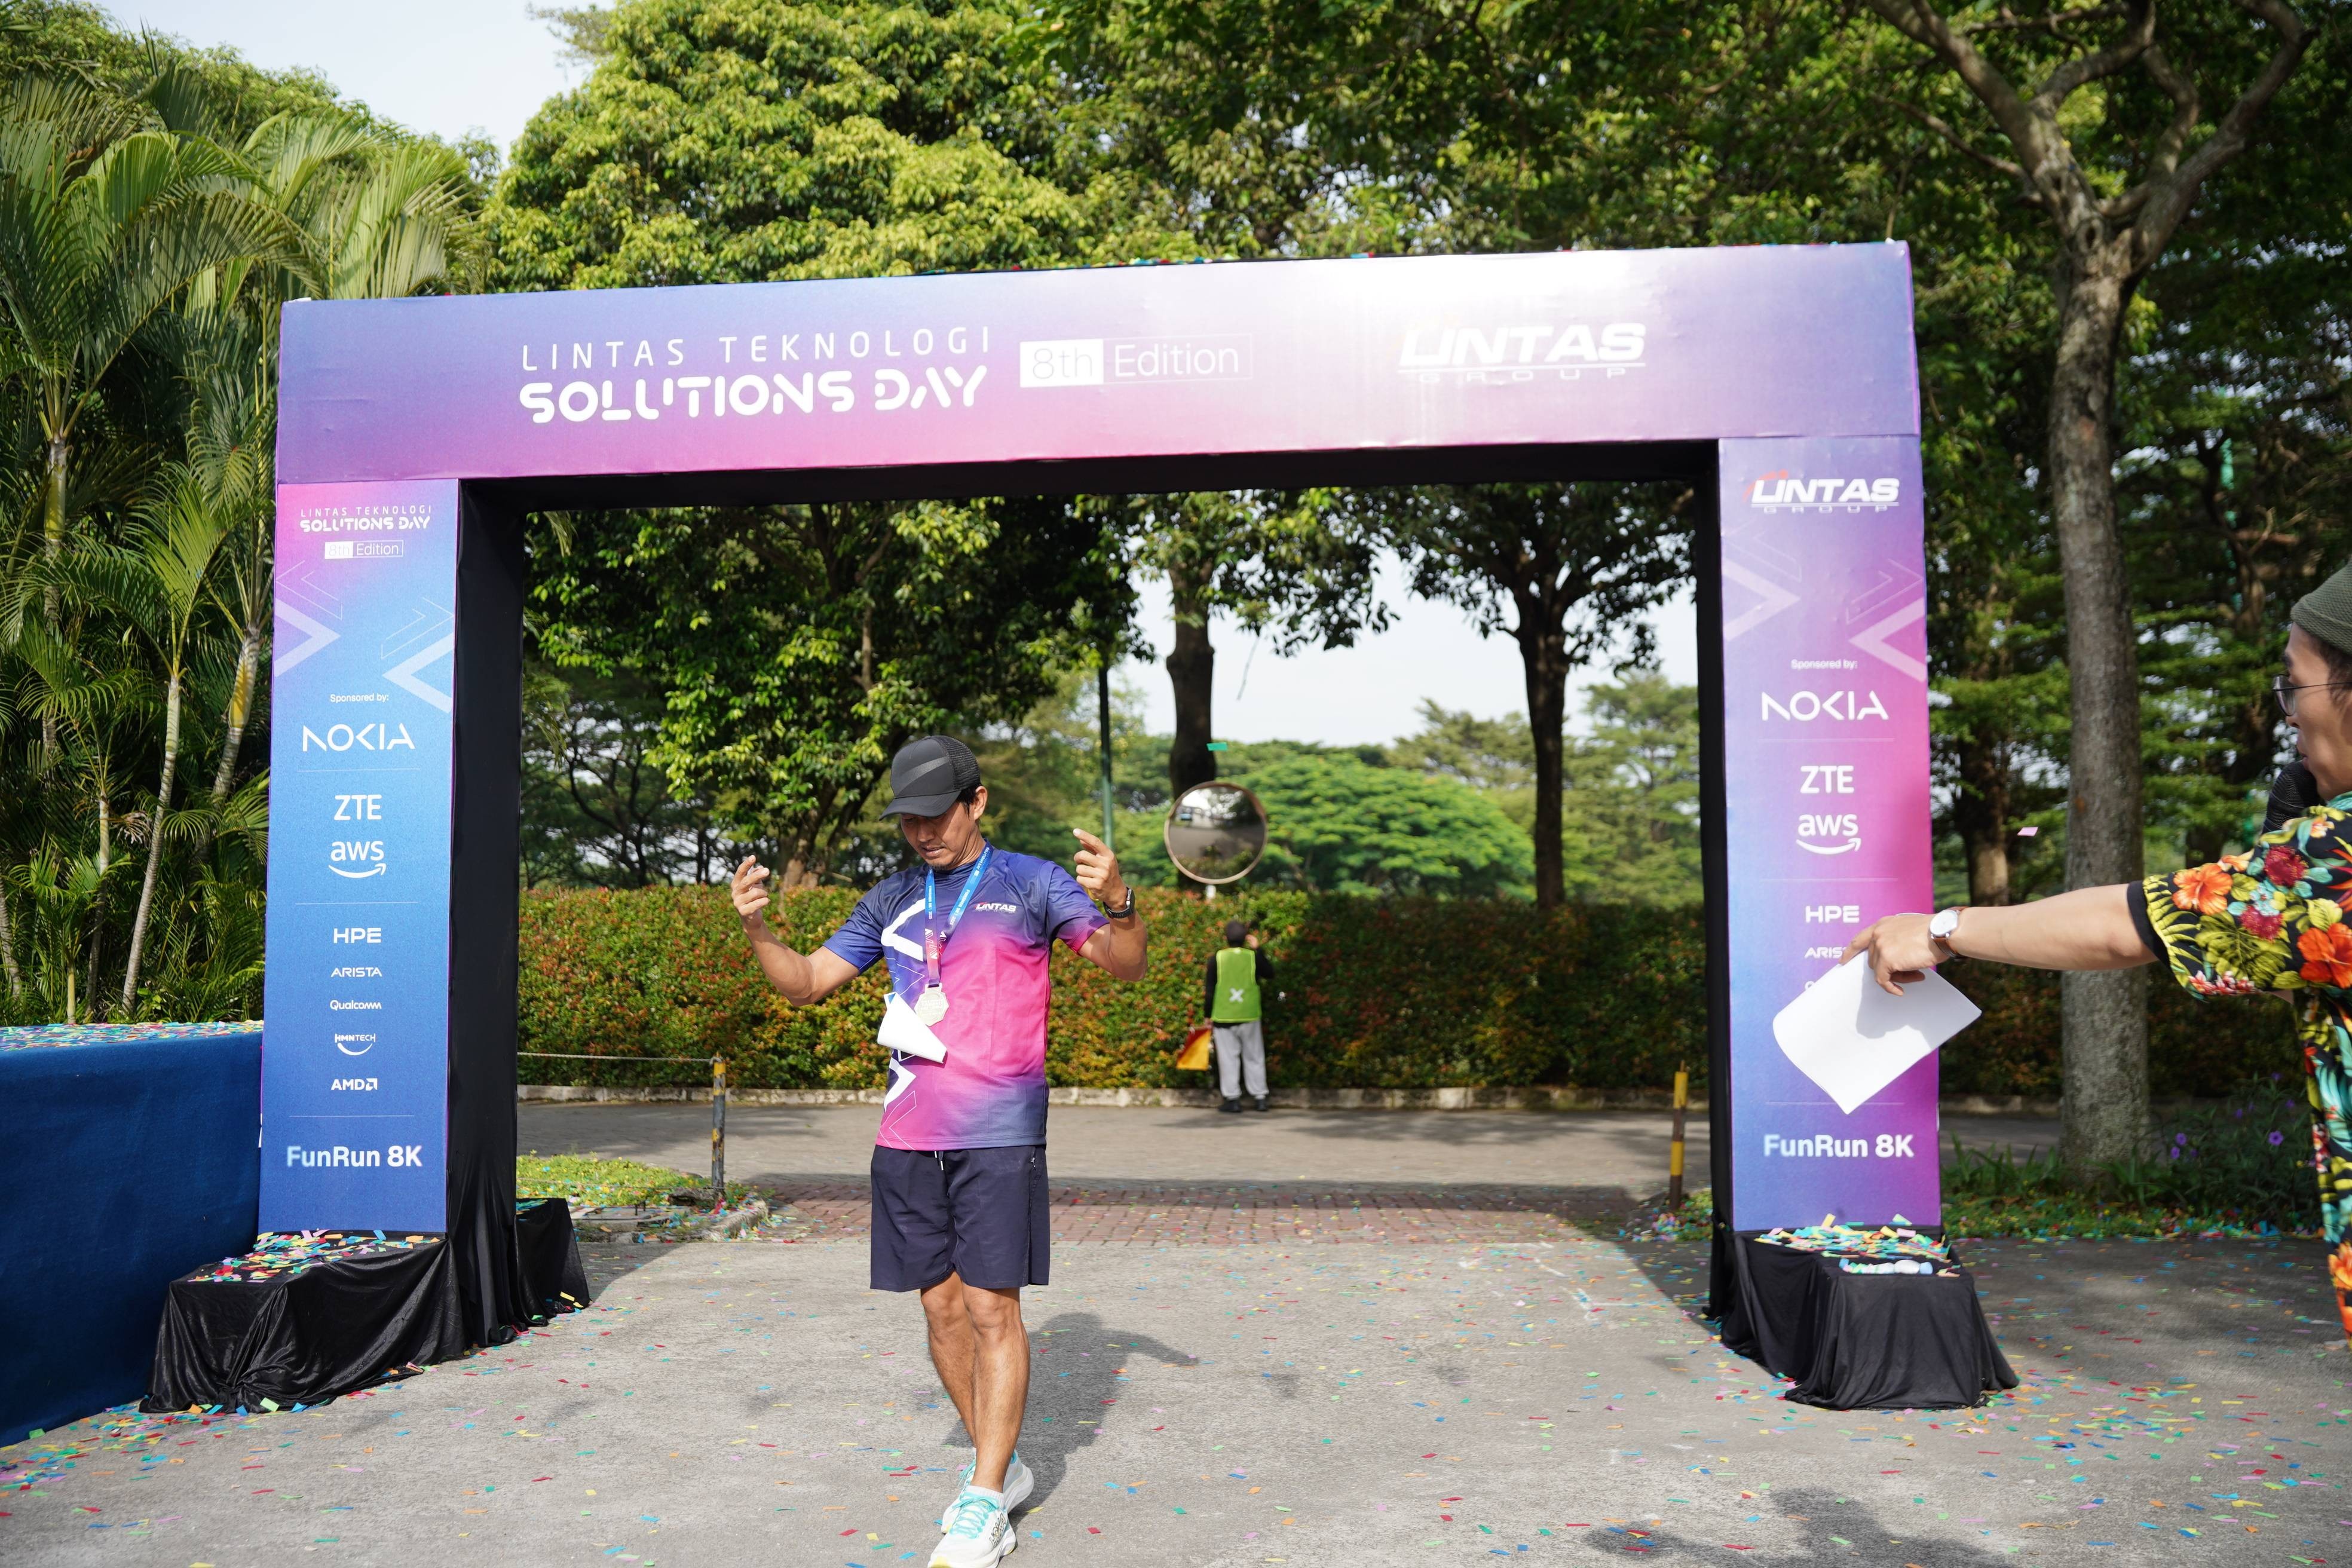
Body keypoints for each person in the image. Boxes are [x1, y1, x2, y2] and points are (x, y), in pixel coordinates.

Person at [1843, 566, 2352, 1351]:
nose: (2287, 715)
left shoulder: (2337, 856)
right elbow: (2305, 986)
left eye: (2296, 686)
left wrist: (1942, 931)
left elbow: (2129, 924)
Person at [728, 734, 1147, 1568]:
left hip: (999, 1132)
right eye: (908, 820)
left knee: (992, 1308)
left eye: (936, 816)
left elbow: (1123, 965)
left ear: (976, 802)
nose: (923, 833)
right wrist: (759, 926)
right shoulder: (891, 898)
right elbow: (807, 983)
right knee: (942, 1309)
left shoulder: (1032, 883)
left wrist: (1124, 903)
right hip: (907, 1134)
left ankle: (984, 1498)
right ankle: (1003, 1464)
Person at [1204, 918, 1275, 1112]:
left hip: (1224, 1015)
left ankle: (1233, 1100)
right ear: (1246, 938)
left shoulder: (1217, 958)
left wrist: (1207, 1014)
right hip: (1249, 1014)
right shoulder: (1253, 957)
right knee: (1255, 1056)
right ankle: (1260, 1098)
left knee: (1228, 1059)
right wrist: (1259, 950)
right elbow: (1270, 973)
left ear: (1226, 938)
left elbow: (1210, 989)